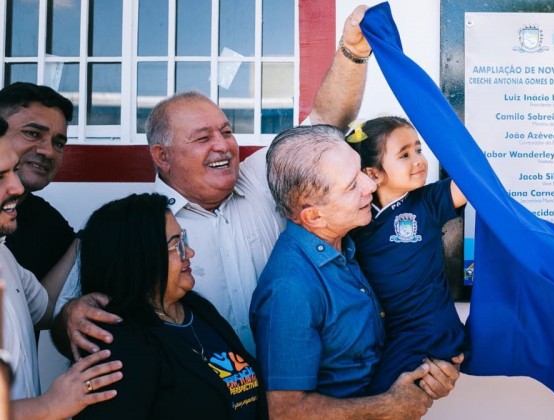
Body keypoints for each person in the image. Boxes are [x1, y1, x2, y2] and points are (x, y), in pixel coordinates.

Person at [54, 4, 375, 360]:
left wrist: (354, 51)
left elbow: (326, 122)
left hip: (287, 394)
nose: (223, 145)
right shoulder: (128, 225)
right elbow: (67, 319)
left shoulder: (261, 177)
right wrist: (68, 316)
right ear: (163, 156)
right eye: (202, 138)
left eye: (226, 131)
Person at [251, 125, 460, 418]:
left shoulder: (349, 244)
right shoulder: (291, 289)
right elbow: (286, 412)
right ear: (314, 215)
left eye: (362, 171)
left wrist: (427, 373)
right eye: (352, 186)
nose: (370, 185)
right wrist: (387, 406)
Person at [73, 193, 264, 419]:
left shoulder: (199, 309)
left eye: (185, 241)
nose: (189, 253)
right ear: (140, 257)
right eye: (176, 245)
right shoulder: (118, 344)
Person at [0, 116, 122, 419]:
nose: (16, 187)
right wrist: (49, 405)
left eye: (14, 171)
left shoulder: (5, 258)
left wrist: (72, 311)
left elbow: (44, 309)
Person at [345, 116, 467, 394]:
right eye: (405, 154)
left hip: (428, 332)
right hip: (391, 334)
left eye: (419, 150)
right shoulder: (358, 218)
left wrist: (439, 124)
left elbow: (473, 182)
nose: (419, 161)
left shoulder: (429, 201)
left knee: (379, 400)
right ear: (373, 174)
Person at [0, 82, 76, 281]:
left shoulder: (52, 229)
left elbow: (42, 307)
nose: (48, 152)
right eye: (33, 134)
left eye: (58, 143)